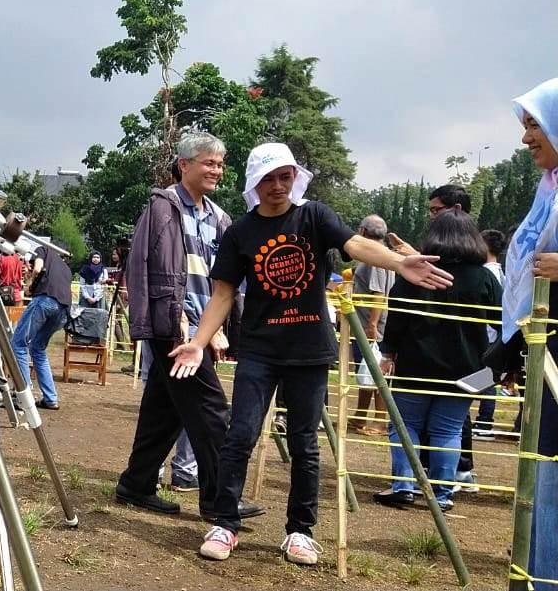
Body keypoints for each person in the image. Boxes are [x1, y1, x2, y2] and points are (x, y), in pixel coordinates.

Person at [176, 142, 453, 566]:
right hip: (260, 350)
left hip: (308, 349)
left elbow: (356, 245)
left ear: (295, 177)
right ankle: (225, 523)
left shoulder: (314, 216)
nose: (277, 185)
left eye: (284, 176)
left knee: (305, 443)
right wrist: (198, 340)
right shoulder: (240, 233)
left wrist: (397, 264)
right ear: (254, 182)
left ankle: (300, 532)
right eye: (268, 178)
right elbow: (223, 293)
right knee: (239, 435)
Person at [114, 133, 262, 521]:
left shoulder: (219, 217)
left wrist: (219, 328)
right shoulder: (162, 207)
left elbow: (223, 280)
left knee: (164, 410)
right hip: (173, 329)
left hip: (203, 328)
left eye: (220, 163)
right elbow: (141, 266)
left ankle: (136, 483)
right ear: (185, 165)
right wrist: (158, 322)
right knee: (212, 411)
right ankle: (218, 500)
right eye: (208, 162)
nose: (216, 170)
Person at [372, 210, 501, 512]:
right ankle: (442, 496)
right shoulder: (484, 277)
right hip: (468, 369)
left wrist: (388, 353)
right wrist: (498, 365)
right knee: (449, 430)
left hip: (414, 366)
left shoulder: (415, 271)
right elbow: (502, 321)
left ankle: (404, 486)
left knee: (405, 426)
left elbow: (396, 320)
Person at [499, 78, 558, 586]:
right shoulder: (549, 191)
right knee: (546, 468)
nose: (526, 138)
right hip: (549, 355)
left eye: (535, 124)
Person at [348, 215, 395, 436]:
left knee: (377, 373)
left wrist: (372, 325)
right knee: (365, 371)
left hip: (373, 326)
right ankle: (359, 417)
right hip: (367, 324)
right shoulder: (380, 254)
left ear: (362, 231)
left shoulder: (374, 256)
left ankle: (380, 421)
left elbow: (378, 294)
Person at [11, 242, 72, 410]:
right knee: (38, 348)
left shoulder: (43, 250)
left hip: (45, 301)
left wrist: (29, 284)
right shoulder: (65, 268)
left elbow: (37, 269)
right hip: (64, 310)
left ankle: (24, 395)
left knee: (18, 344)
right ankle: (50, 398)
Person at [472, 229, 508, 439]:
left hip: (487, 336)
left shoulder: (487, 273)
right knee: (486, 379)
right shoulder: (498, 271)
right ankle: (484, 421)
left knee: (486, 380)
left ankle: (485, 422)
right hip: (492, 335)